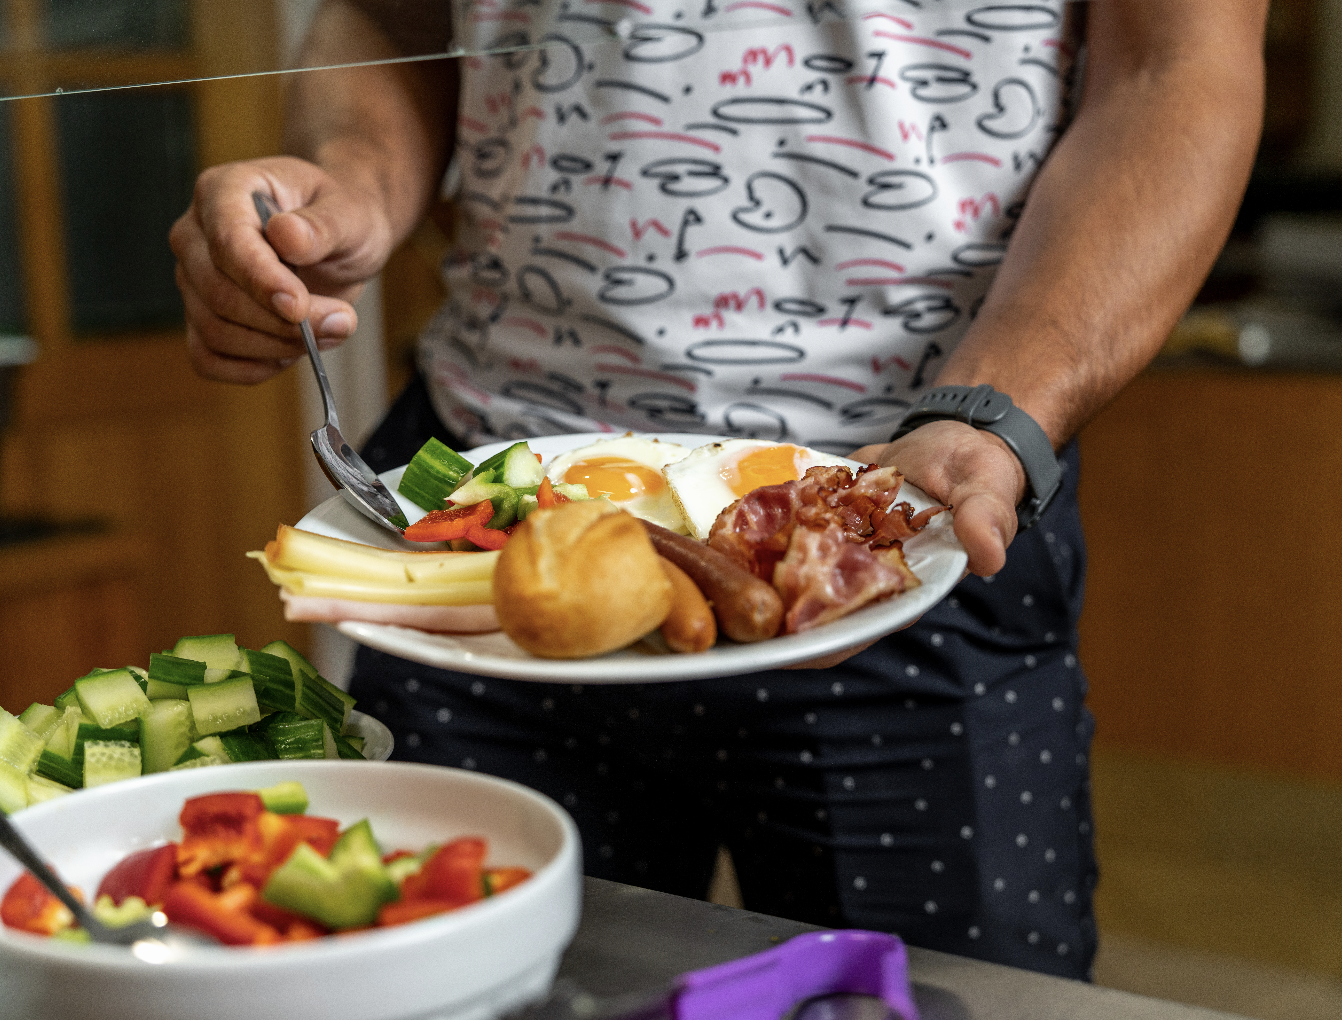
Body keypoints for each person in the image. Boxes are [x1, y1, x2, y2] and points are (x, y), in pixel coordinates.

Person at [170, 0, 1266, 980]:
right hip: (488, 538)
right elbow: (392, 18)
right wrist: (354, 179)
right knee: (467, 996)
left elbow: (1174, 68)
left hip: (909, 523)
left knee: (937, 1005)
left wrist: (998, 400)